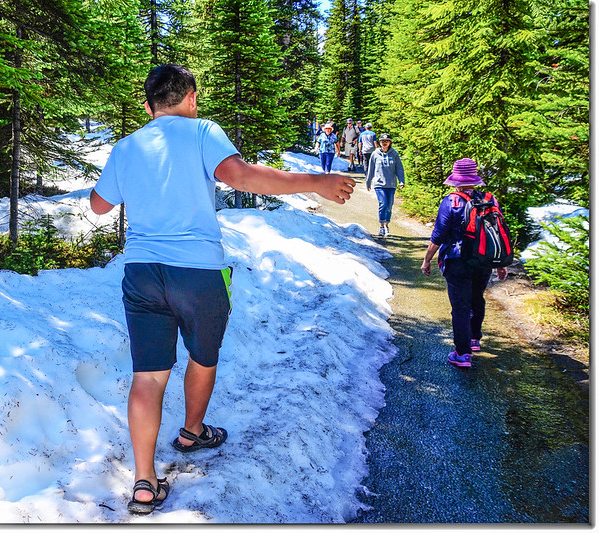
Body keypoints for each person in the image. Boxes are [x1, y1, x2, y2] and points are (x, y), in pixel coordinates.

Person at [89, 64, 356, 514]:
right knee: (202, 356)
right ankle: (192, 432)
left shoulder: (127, 146)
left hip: (141, 271)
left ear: (148, 104)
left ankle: (143, 481)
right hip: (197, 270)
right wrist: (317, 181)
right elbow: (244, 177)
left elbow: (98, 205)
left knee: (148, 375)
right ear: (190, 97)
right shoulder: (202, 132)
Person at [421, 158, 509, 368]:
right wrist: (500, 262)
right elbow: (496, 231)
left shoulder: (451, 201)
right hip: (484, 259)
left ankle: (462, 354)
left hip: (457, 260)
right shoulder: (490, 199)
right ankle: (474, 339)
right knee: (477, 298)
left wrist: (427, 260)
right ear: (475, 179)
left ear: (456, 180)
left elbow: (439, 235)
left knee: (460, 306)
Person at [365, 133, 404, 237]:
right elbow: (371, 169)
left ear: (390, 142)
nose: (384, 143)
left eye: (386, 141)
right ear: (379, 142)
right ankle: (382, 226)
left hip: (391, 184)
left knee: (389, 206)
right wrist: (368, 181)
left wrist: (401, 181)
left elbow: (399, 168)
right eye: (382, 141)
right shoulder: (375, 154)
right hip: (379, 184)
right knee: (383, 203)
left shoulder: (394, 154)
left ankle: (386, 225)